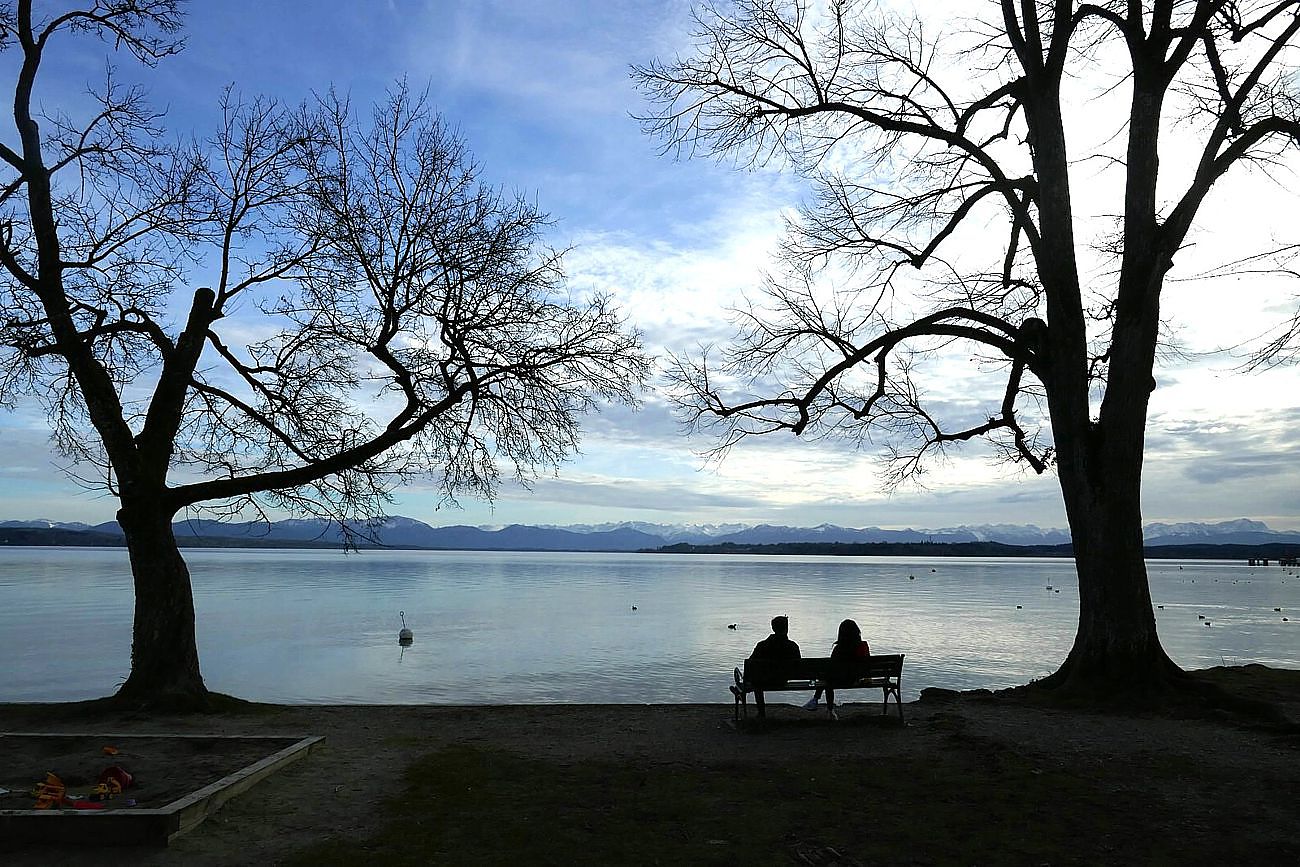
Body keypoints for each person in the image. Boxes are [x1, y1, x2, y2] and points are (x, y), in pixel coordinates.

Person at [805, 618, 870, 719]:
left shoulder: (838, 649)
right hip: (855, 679)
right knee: (827, 677)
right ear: (857, 632)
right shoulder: (863, 646)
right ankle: (815, 700)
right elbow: (866, 664)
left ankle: (823, 705)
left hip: (838, 680)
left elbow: (832, 667)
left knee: (826, 679)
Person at [746, 615, 800, 716]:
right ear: (787, 628)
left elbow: (750, 664)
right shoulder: (793, 646)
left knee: (755, 681)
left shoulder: (762, 645)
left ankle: (761, 712)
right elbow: (799, 666)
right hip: (782, 680)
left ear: (773, 628)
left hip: (763, 681)